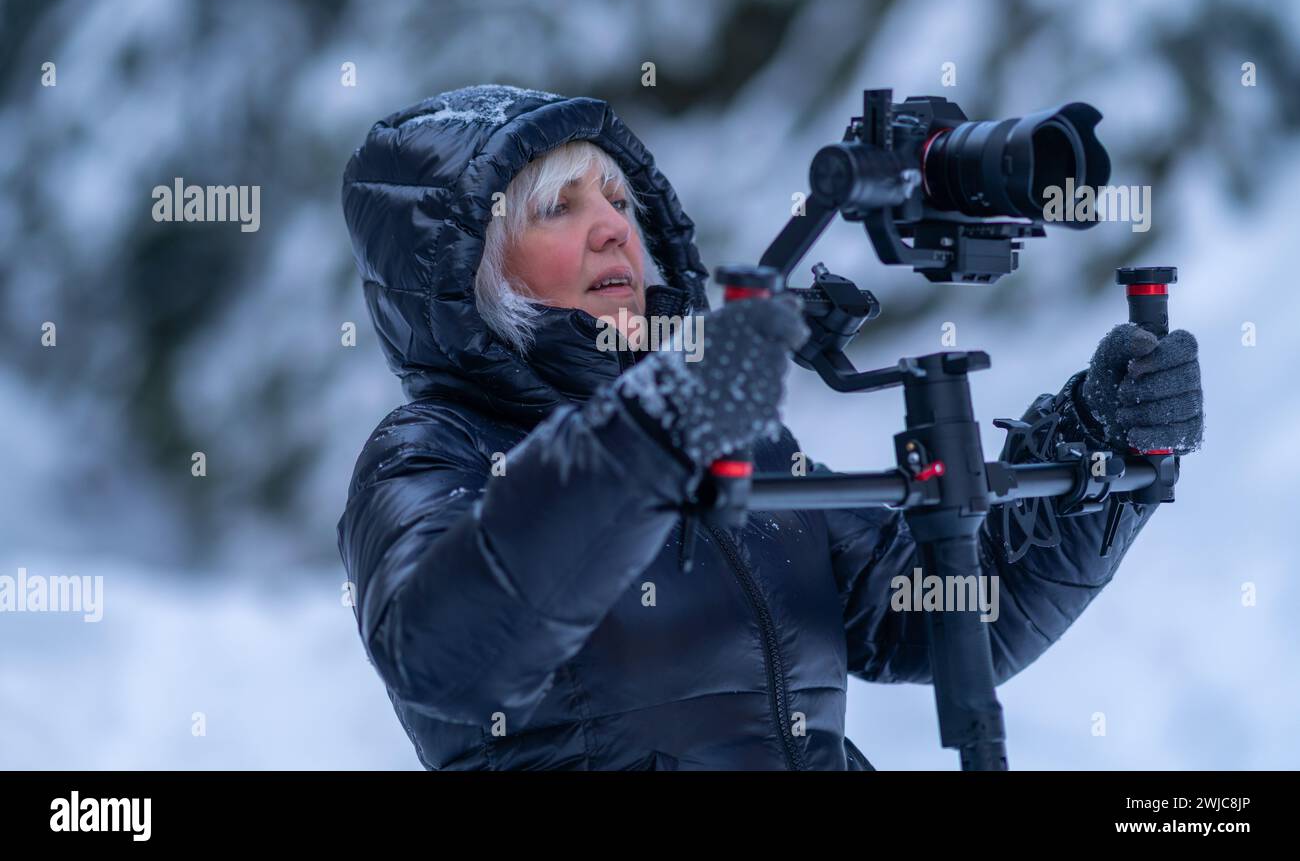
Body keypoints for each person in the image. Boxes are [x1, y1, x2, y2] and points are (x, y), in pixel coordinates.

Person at [336, 83, 1204, 770]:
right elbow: (451, 654)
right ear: (465, 271)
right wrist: (651, 435)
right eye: (556, 208)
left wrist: (1098, 443)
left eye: (619, 199)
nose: (612, 228)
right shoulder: (428, 455)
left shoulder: (732, 437)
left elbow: (941, 612)